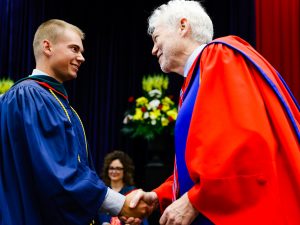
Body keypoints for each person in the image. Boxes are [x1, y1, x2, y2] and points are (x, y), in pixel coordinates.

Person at [129, 0, 300, 225]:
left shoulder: (218, 55)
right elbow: (202, 167)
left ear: (183, 26)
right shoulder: (196, 79)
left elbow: (243, 144)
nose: (153, 50)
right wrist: (158, 195)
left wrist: (195, 199)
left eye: (156, 38)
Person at [0, 19, 150, 225]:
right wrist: (121, 204)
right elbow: (57, 173)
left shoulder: (47, 98)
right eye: (74, 48)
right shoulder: (32, 96)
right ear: (47, 46)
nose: (81, 57)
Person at [98, 150, 149, 225]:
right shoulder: (103, 191)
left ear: (125, 171)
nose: (114, 171)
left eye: (118, 168)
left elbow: (143, 221)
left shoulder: (133, 193)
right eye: (111, 168)